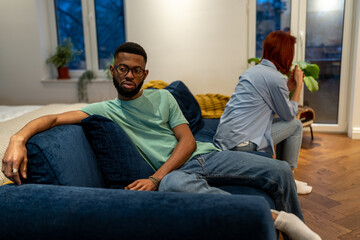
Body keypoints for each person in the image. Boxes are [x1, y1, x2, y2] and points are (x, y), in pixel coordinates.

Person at [2, 42, 320, 240]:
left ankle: (294, 228)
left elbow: (188, 141)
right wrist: (18, 137)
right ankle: (278, 220)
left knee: (279, 171)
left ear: (145, 73)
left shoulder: (163, 98)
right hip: (176, 175)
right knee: (174, 187)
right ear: (113, 70)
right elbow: (55, 118)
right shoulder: (104, 110)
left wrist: (154, 177)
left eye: (136, 70)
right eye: (123, 69)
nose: (129, 75)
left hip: (207, 155)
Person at [214, 31, 312, 195]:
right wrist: (299, 85)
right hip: (241, 146)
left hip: (226, 140)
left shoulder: (252, 72)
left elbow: (273, 103)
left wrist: (289, 86)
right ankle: (288, 179)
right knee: (295, 125)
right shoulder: (275, 78)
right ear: (285, 54)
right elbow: (288, 115)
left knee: (286, 124)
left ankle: (286, 175)